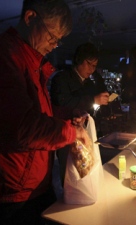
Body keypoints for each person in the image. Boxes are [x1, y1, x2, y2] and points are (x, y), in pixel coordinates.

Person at [0, 1, 92, 225]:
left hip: (35, 184)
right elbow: (22, 127)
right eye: (53, 36)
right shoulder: (0, 55)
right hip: (10, 194)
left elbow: (40, 111)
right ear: (31, 17)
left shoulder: (30, 60)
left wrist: (66, 114)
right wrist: (71, 133)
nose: (54, 45)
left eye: (58, 40)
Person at [50, 42, 109, 184]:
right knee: (69, 173)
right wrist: (93, 99)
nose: (92, 69)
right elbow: (62, 102)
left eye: (95, 66)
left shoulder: (89, 83)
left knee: (85, 171)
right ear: (79, 60)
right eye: (90, 64)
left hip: (83, 131)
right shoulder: (62, 78)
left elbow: (89, 106)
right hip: (65, 131)